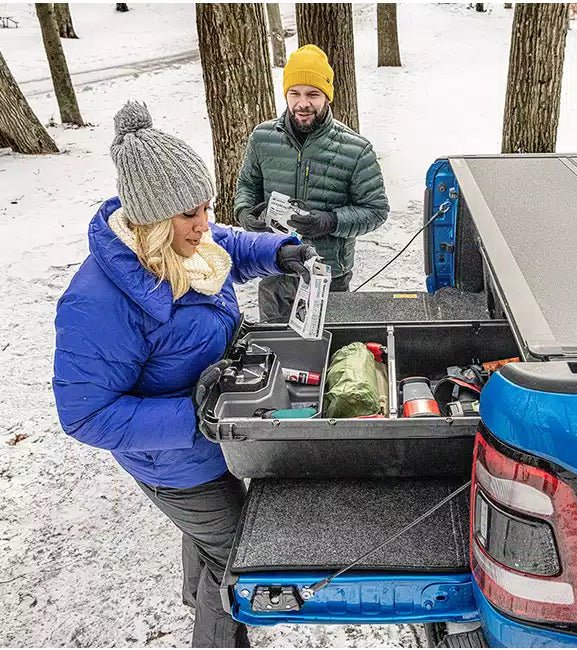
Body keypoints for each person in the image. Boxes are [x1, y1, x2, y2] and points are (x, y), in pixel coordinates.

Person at [52, 101, 315, 648]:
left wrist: (278, 250)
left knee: (211, 536)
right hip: (173, 460)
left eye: (206, 207)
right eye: (189, 215)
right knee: (238, 552)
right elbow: (84, 416)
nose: (204, 225)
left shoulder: (187, 246)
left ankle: (199, 599)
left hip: (212, 440)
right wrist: (194, 416)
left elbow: (226, 247)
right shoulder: (98, 303)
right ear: (150, 220)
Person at [234, 44, 390, 321]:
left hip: (328, 275)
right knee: (277, 352)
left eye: (312, 94)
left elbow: (376, 210)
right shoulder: (262, 138)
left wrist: (330, 221)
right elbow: (247, 186)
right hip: (275, 268)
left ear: (327, 96)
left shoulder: (356, 149)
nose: (302, 103)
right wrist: (245, 214)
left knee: (328, 354)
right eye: (294, 93)